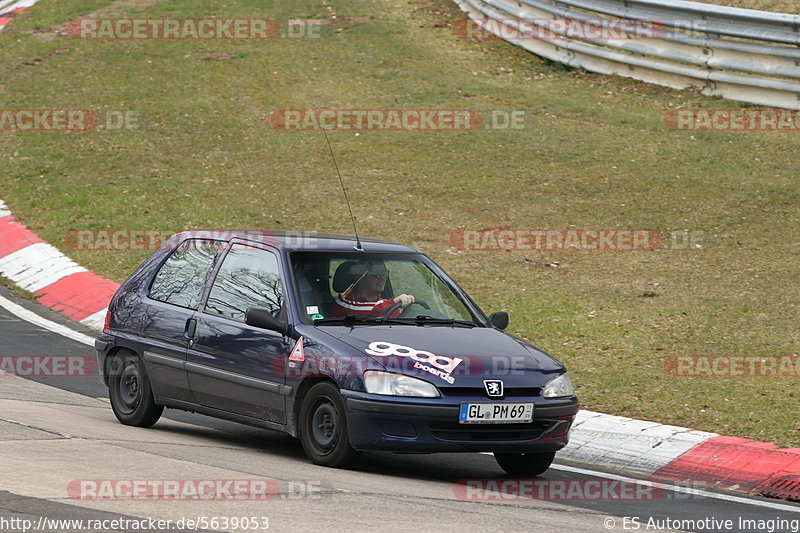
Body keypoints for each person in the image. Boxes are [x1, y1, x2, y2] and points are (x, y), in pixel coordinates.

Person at [332, 260, 414, 317]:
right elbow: (362, 310)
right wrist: (394, 301)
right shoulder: (344, 303)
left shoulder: (388, 306)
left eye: (384, 273)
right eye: (376, 274)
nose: (382, 277)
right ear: (361, 276)